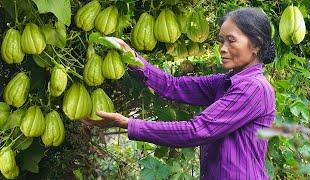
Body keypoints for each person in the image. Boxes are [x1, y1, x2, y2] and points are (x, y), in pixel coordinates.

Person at [82, 7, 276, 180]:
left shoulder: (253, 88)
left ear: (256, 45)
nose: (223, 49)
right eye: (221, 41)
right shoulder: (226, 82)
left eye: (231, 41)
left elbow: (197, 130)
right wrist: (134, 60)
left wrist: (129, 124)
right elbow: (172, 86)